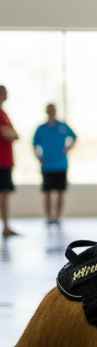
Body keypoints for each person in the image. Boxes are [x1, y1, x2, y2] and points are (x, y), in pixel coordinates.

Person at [32, 103, 76, 226]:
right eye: (49, 110)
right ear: (46, 111)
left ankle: (57, 217)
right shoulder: (41, 128)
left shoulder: (62, 126)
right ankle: (48, 217)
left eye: (53, 109)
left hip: (61, 164)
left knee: (61, 191)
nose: (51, 112)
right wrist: (39, 157)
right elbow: (34, 144)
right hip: (47, 165)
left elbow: (74, 136)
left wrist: (68, 147)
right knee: (47, 192)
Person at [0, 85, 18, 237]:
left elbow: (14, 134)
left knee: (5, 194)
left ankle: (6, 226)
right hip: (1, 162)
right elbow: (8, 134)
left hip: (5, 161)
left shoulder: (4, 113)